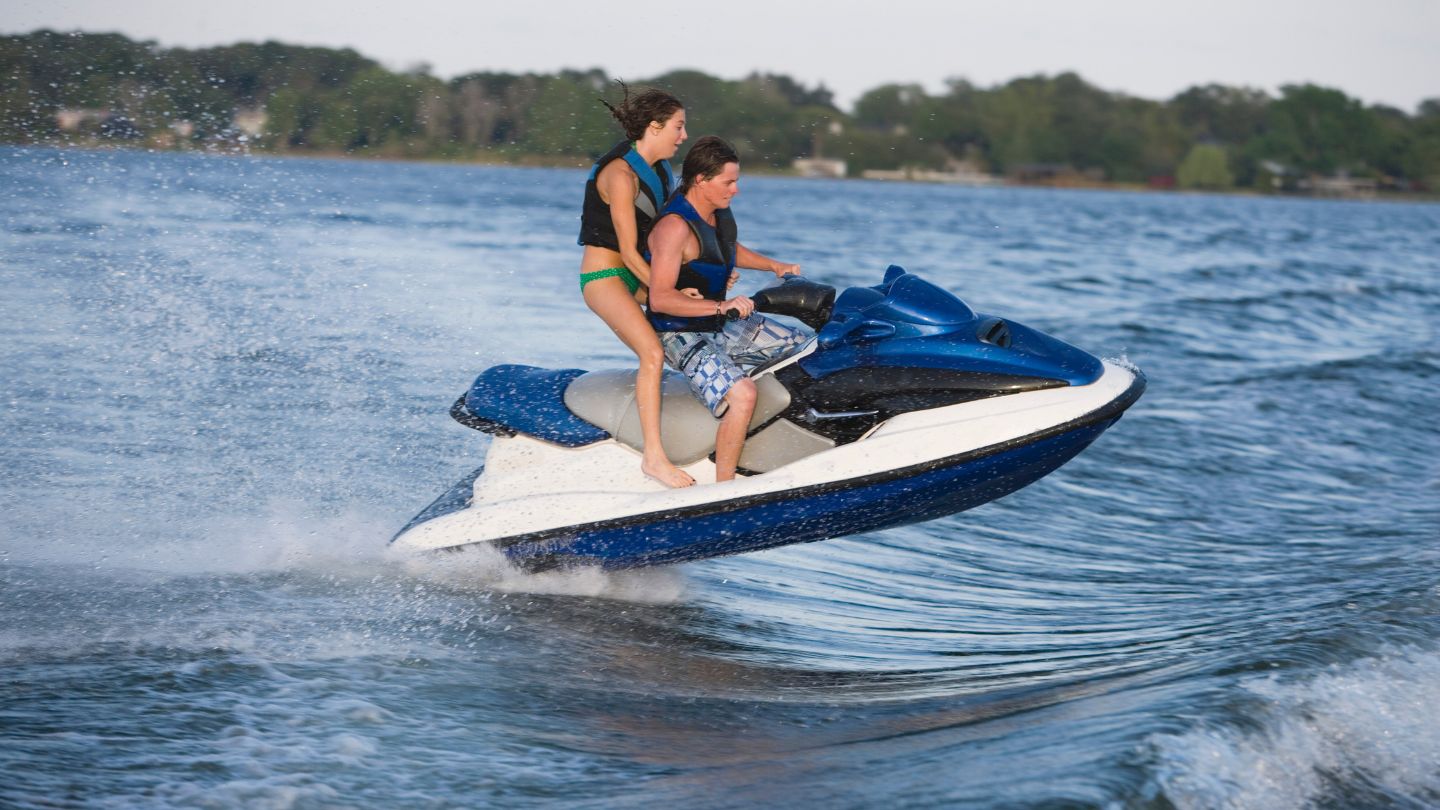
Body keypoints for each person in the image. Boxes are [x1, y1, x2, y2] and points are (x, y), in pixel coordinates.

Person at [646, 136, 809, 482]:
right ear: (701, 180)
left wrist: (773, 266)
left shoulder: (717, 214)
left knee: (805, 349)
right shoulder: (673, 228)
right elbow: (659, 298)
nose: (735, 190)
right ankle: (724, 487)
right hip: (679, 333)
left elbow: (727, 249)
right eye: (729, 182)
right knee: (743, 394)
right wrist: (723, 304)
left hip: (719, 322)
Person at [578, 83, 695, 488]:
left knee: (698, 326)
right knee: (652, 353)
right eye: (678, 128)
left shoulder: (661, 172)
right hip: (606, 278)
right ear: (655, 126)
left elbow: (673, 234)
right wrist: (666, 294)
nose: (683, 137)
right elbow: (628, 253)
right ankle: (654, 459)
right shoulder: (621, 174)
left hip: (638, 276)